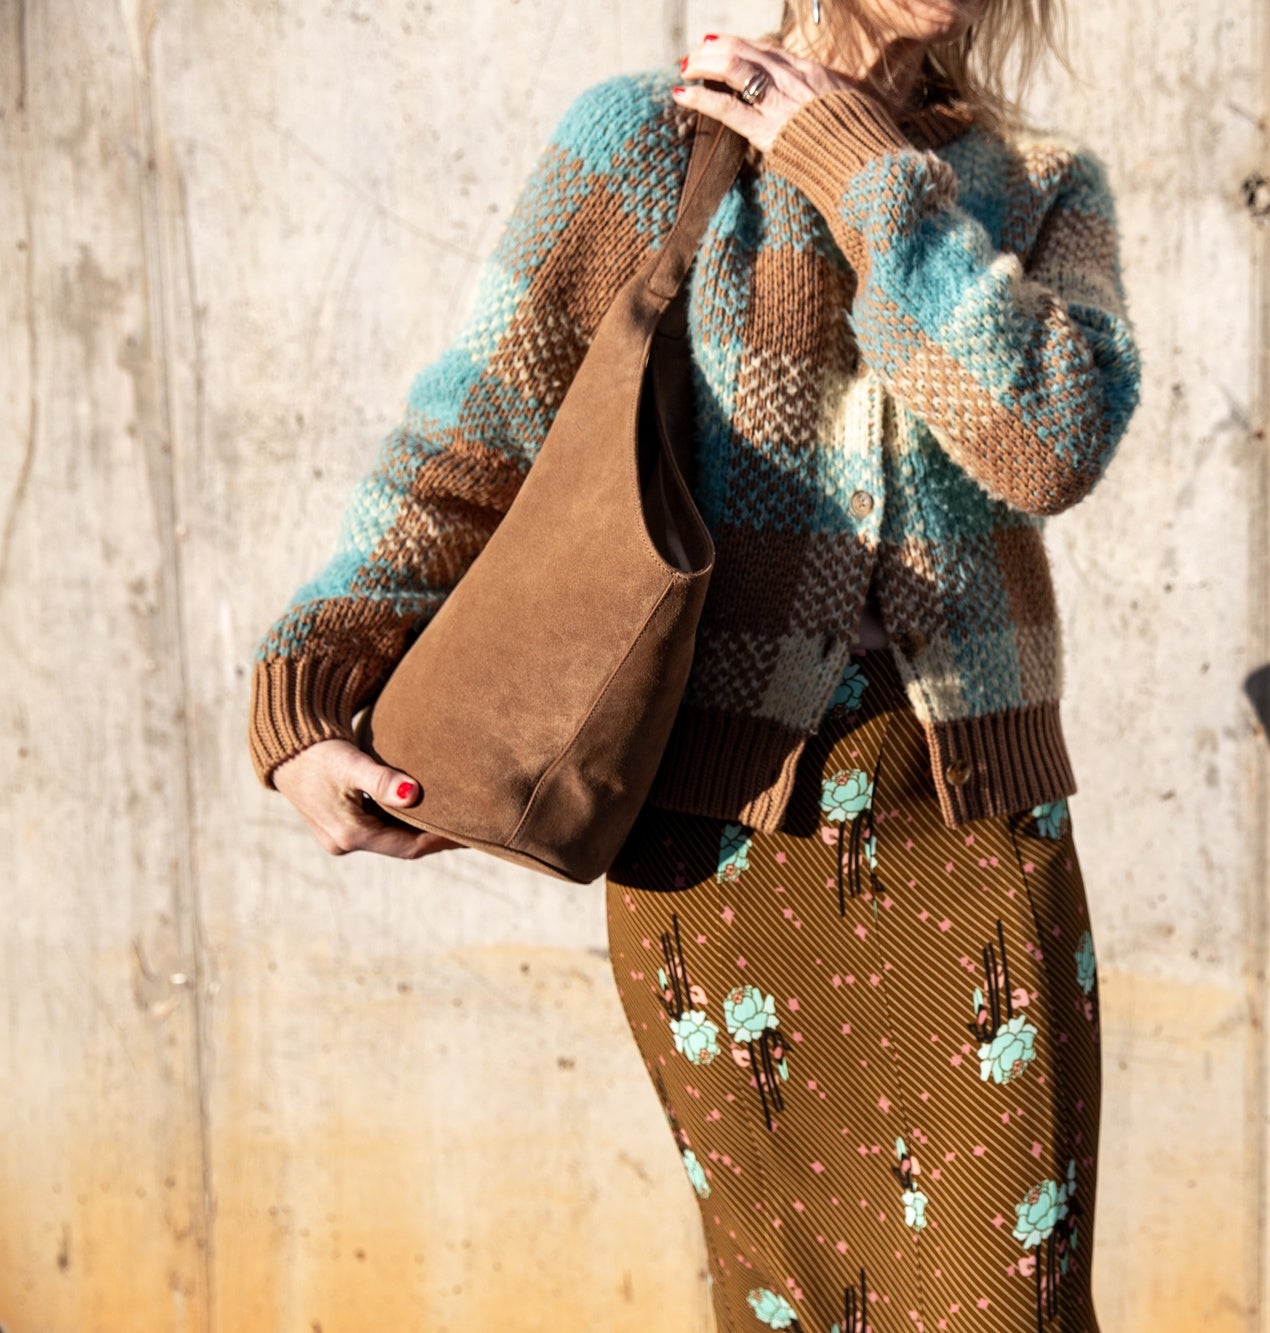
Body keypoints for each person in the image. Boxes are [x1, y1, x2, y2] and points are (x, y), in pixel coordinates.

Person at [245, 1, 1140, 1327]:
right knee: (786, 1299)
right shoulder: (646, 141)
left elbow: (1046, 442)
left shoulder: (1038, 182)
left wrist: (856, 171)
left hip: (964, 825)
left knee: (1007, 1304)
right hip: (714, 848)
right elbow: (480, 423)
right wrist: (310, 686)